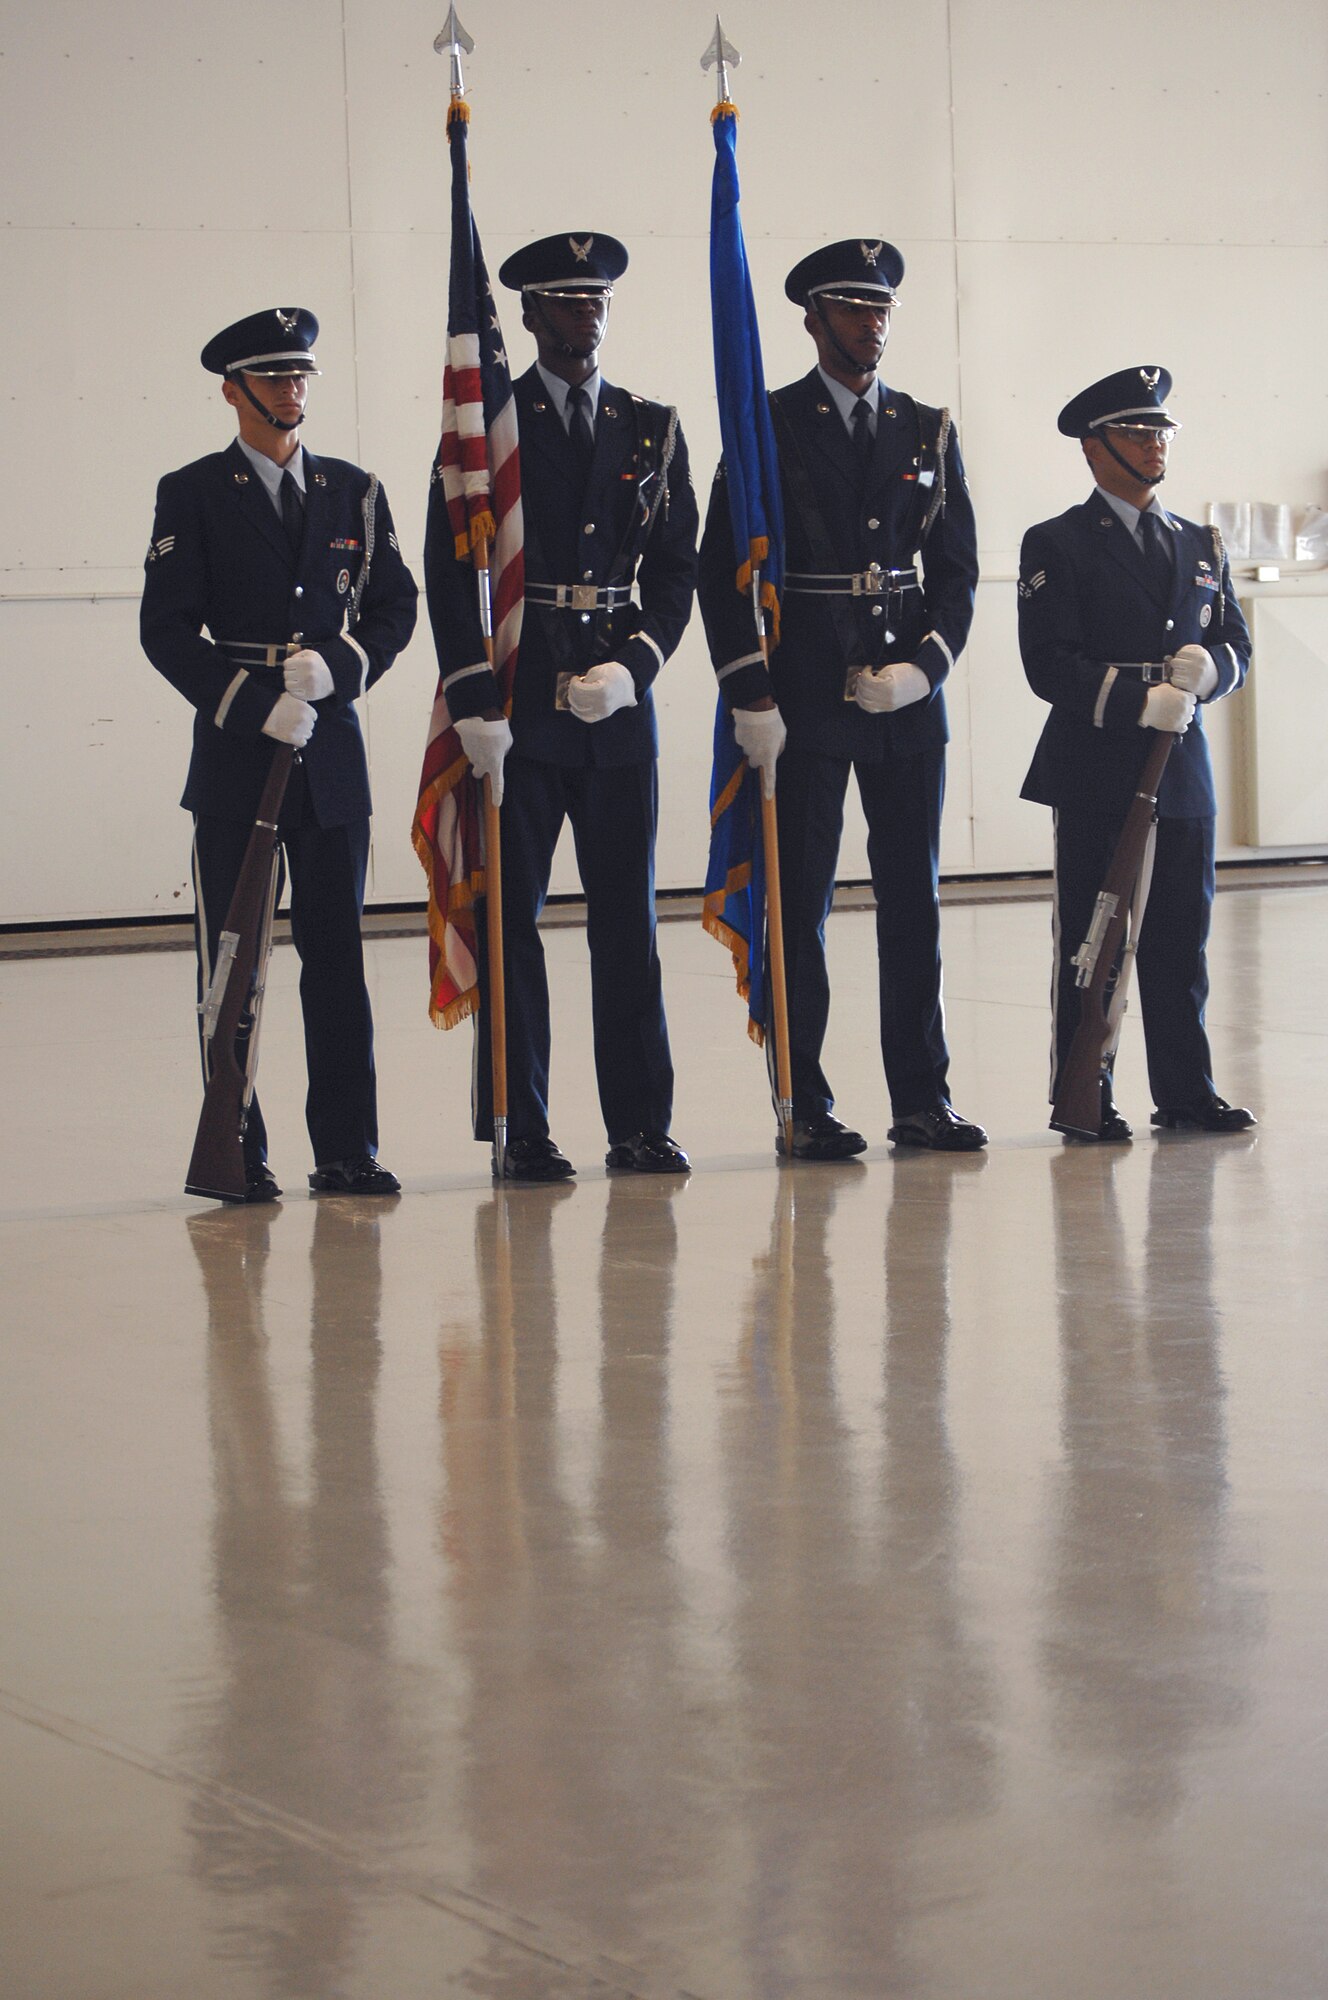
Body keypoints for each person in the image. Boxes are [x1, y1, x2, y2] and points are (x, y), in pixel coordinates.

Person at [697, 237, 986, 1159]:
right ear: (813, 320)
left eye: (883, 310)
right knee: (801, 912)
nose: (873, 325)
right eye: (854, 310)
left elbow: (959, 571)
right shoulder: (769, 426)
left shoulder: (926, 428)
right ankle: (804, 1102)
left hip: (905, 698)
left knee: (915, 904)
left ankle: (922, 1100)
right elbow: (719, 575)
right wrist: (752, 693)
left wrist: (927, 669)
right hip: (806, 695)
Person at [424, 233, 698, 1184]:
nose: (588, 316)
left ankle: (639, 1124)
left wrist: (636, 669)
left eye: (599, 302)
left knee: (628, 926)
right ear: (530, 316)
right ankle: (521, 1123)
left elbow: (674, 574)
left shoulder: (652, 427)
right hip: (521, 712)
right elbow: (450, 572)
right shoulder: (487, 430)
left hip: (618, 713)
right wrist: (473, 706)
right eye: (568, 302)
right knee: (512, 929)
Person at [141, 307, 418, 1199]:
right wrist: (251, 705)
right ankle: (236, 1146)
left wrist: (338, 667)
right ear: (234, 391)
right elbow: (167, 630)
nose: (292, 390)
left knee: (338, 961)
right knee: (235, 964)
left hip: (331, 757)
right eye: (273, 377)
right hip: (235, 755)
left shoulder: (353, 491)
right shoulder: (191, 492)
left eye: (301, 376)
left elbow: (394, 608)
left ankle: (347, 1149)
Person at [1017, 365, 1255, 1139]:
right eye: (1137, 431)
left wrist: (1215, 670)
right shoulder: (1056, 542)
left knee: (1181, 940)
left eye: (1161, 431)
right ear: (1095, 449)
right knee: (1094, 939)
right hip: (1097, 762)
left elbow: (1236, 641)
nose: (1155, 444)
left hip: (1180, 767)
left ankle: (1186, 1093)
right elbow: (1048, 662)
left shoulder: (1199, 541)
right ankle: (1085, 1090)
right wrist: (1133, 699)